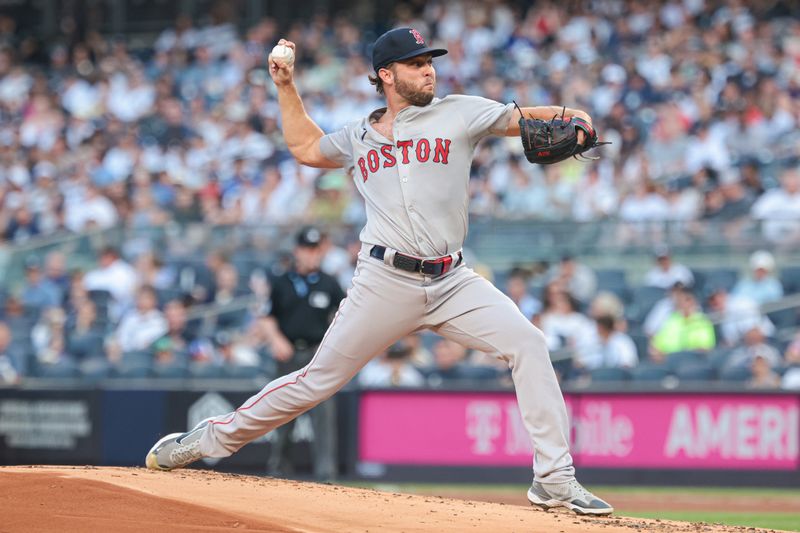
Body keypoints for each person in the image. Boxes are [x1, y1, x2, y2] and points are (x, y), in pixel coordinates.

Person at [146, 28, 613, 515]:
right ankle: (207, 440)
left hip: (453, 280)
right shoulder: (358, 136)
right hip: (384, 282)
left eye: (430, 61)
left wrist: (573, 117)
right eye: (416, 63)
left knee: (528, 343)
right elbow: (307, 148)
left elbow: (519, 120)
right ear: (386, 75)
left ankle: (555, 481)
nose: (428, 69)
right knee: (314, 382)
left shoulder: (460, 110)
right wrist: (285, 87)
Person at [262, 226, 346, 481]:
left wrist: (331, 349)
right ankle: (278, 471)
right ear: (297, 251)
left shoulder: (329, 283)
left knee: (324, 417)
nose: (312, 255)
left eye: (315, 250)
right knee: (282, 415)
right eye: (307, 249)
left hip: (316, 356)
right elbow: (266, 316)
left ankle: (325, 476)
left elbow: (343, 318)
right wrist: (276, 340)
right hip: (287, 356)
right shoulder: (281, 282)